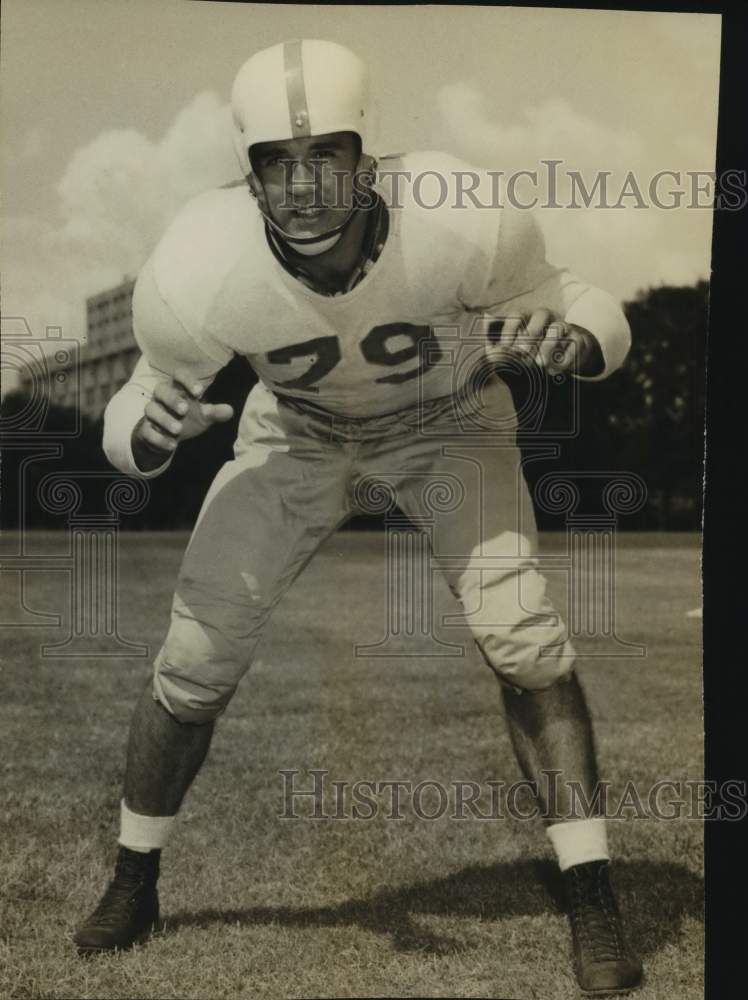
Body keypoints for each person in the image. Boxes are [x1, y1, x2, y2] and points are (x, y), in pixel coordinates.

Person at [76, 39, 642, 996]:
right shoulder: (199, 264)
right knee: (195, 655)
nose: (303, 185)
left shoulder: (461, 216)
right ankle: (135, 878)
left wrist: (576, 338)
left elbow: (589, 307)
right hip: (295, 433)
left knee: (524, 637)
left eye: (325, 156)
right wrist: (150, 433)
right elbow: (132, 412)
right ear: (245, 176)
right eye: (276, 164)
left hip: (450, 420)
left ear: (368, 159)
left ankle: (590, 891)